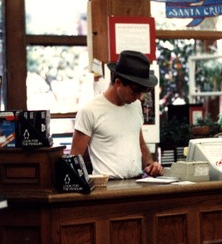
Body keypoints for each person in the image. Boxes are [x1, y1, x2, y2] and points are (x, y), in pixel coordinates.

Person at [70, 50, 164, 179]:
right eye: (135, 91)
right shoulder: (90, 110)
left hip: (136, 183)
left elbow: (140, 143)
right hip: (107, 187)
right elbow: (75, 157)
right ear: (118, 82)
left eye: (142, 92)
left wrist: (150, 163)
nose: (139, 97)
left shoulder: (135, 105)